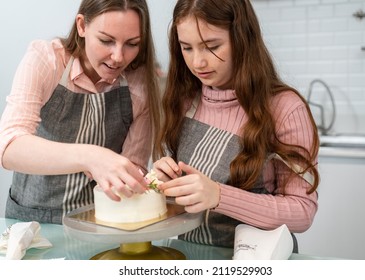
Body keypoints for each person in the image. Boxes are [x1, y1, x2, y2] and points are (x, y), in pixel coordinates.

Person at [153, 0, 320, 251]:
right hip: (192, 255)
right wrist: (163, 181)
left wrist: (219, 196)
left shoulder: (285, 108)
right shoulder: (186, 100)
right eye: (186, 48)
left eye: (212, 46)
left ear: (242, 38)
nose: (198, 62)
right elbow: (184, 200)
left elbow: (302, 212)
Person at [0, 0, 161, 224]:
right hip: (30, 222)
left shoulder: (141, 83)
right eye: (106, 41)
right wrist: (91, 157)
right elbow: (9, 147)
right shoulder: (46, 60)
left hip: (99, 223)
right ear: (82, 26)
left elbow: (132, 170)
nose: (118, 57)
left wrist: (146, 180)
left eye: (132, 44)